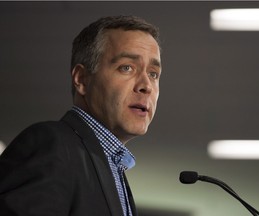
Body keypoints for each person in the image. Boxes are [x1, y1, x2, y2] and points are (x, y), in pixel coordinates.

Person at [0, 15, 161, 216]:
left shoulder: (111, 166)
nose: (146, 85)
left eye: (154, 74)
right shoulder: (52, 145)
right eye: (126, 67)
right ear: (82, 79)